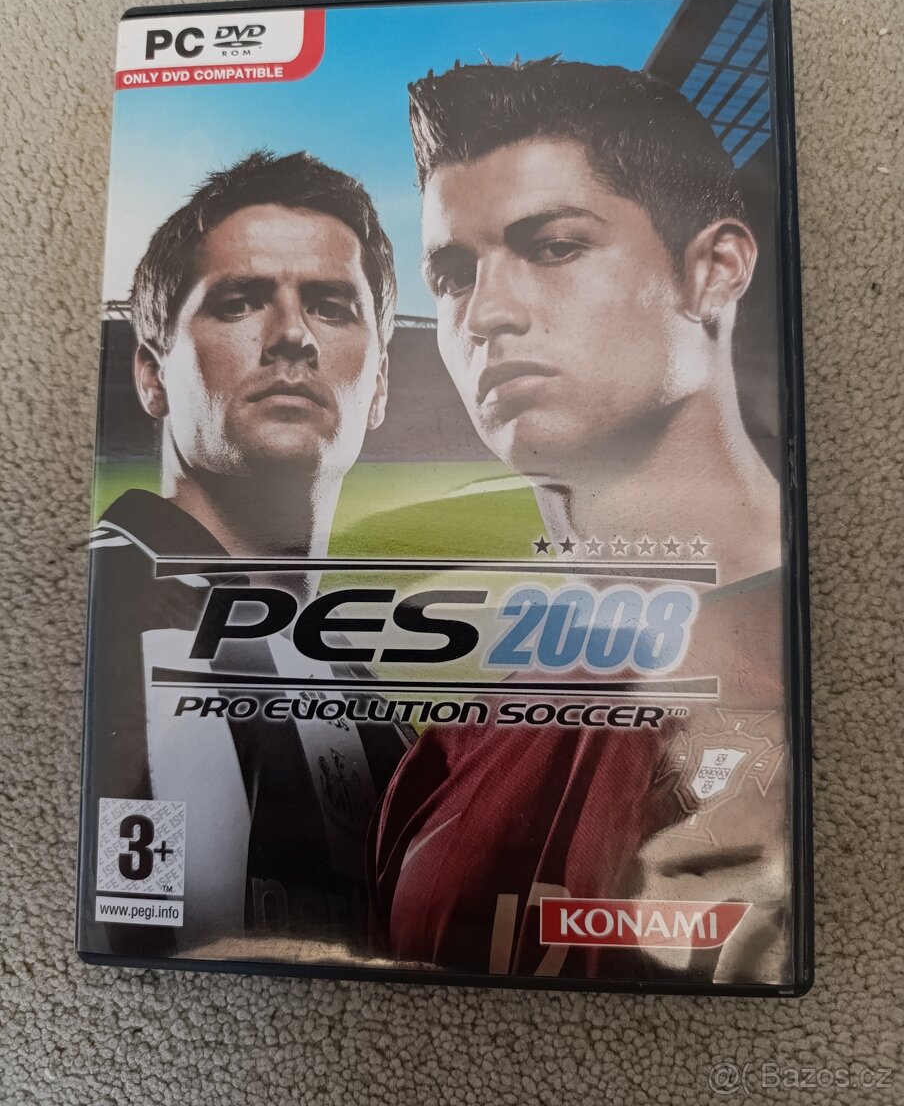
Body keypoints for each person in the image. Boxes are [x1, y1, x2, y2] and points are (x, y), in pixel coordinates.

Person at [369, 60, 789, 984]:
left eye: (555, 247)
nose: (484, 314)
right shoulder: (458, 740)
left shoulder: (825, 681)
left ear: (714, 271)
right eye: (452, 274)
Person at [83, 150, 410, 961]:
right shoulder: (92, 611)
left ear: (378, 388)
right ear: (152, 375)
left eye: (332, 306)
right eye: (239, 302)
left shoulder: (365, 687)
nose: (293, 335)